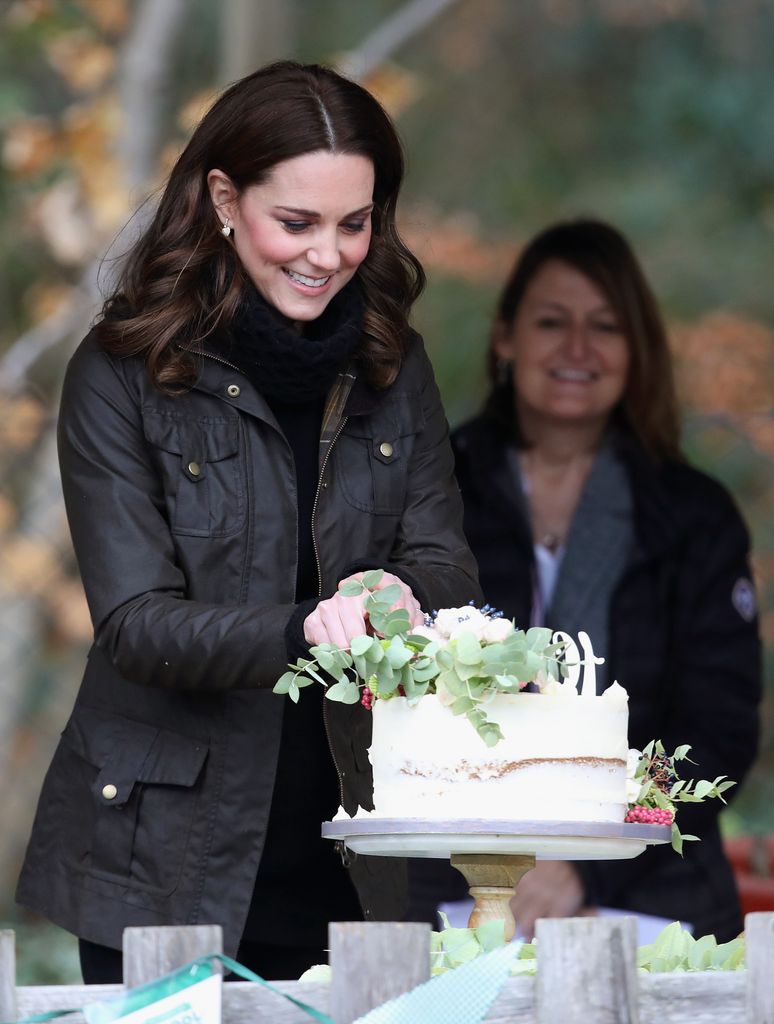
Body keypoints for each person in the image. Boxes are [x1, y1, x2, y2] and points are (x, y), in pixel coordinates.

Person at [16, 61, 480, 983]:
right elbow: (137, 625)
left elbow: (448, 565)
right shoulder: (122, 375)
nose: (329, 254)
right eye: (297, 223)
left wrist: (406, 590)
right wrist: (307, 627)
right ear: (224, 199)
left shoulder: (396, 364)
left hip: (362, 853)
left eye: (357, 224)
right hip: (163, 871)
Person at [414, 218, 760, 942]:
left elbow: (715, 729)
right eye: (551, 322)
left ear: (636, 350)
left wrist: (590, 868)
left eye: (605, 326)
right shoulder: (432, 488)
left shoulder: (693, 517)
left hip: (651, 897)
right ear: (506, 337)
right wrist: (504, 874)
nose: (577, 349)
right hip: (450, 892)